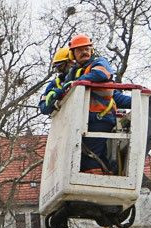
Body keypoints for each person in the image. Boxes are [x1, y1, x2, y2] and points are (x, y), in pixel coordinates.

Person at [66, 33, 130, 173]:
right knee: (90, 155)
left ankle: (93, 183)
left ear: (91, 50)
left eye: (86, 49)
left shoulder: (99, 62)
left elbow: (101, 75)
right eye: (79, 50)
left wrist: (78, 83)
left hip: (100, 118)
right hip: (84, 120)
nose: (84, 52)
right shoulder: (74, 72)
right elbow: (64, 88)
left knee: (91, 158)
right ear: (73, 55)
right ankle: (106, 172)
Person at [37, 47, 74, 116]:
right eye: (57, 68)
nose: (59, 70)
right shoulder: (55, 83)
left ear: (71, 62)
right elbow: (43, 109)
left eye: (60, 66)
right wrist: (53, 99)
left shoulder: (81, 74)